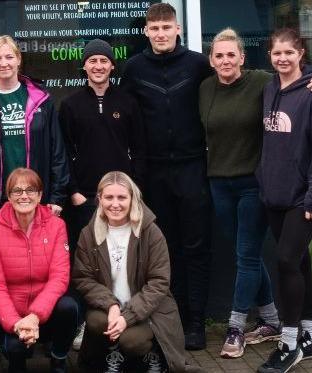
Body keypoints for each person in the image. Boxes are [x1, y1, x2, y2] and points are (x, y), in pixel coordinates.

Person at [198, 28, 312, 358]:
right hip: (244, 188)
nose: (226, 60)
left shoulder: (280, 86)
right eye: (219, 55)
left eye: (232, 54)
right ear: (211, 60)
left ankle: (261, 334)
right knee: (274, 259)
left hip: (278, 191)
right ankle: (290, 327)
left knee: (268, 257)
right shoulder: (245, 88)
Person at [121, 2, 212, 350]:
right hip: (153, 172)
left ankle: (197, 322)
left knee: (197, 247)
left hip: (193, 167)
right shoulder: (134, 69)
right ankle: (170, 321)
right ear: (146, 31)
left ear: (177, 29)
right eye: (154, 28)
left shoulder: (199, 65)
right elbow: (123, 117)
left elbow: (237, 83)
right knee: (165, 250)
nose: (160, 34)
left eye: (166, 27)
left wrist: (311, 75)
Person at [256, 28, 312, 373]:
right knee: (299, 262)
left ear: (301, 53)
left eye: (289, 52)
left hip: (305, 198)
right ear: (270, 56)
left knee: (286, 261)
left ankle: (289, 344)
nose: (283, 59)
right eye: (277, 53)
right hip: (274, 194)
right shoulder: (270, 87)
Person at [59, 38, 146, 350]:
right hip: (85, 200)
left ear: (112, 66)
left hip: (122, 201)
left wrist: (133, 193)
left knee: (121, 262)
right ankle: (86, 323)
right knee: (89, 266)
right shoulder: (70, 105)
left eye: (104, 61)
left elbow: (140, 150)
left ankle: (125, 318)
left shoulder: (127, 102)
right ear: (84, 66)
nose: (98, 66)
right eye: (92, 61)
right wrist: (74, 193)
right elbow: (64, 152)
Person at [72, 171, 204, 373]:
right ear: (99, 198)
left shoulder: (150, 231)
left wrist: (128, 316)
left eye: (122, 197)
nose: (115, 204)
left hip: (149, 310)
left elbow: (159, 282)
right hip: (110, 307)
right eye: (109, 197)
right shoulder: (89, 234)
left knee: (132, 342)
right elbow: (84, 278)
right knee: (96, 321)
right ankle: (112, 353)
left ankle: (154, 356)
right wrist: (111, 306)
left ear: (132, 198)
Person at [0, 168, 78, 373]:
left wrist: (34, 317)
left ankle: (59, 358)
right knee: (16, 350)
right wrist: (17, 324)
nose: (24, 195)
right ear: (8, 196)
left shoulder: (57, 226)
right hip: (10, 315)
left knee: (69, 307)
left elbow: (59, 278)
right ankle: (17, 362)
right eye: (17, 191)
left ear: (40, 195)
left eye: (31, 190)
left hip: (45, 312)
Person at [0, 35, 69, 223]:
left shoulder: (41, 98)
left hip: (35, 197)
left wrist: (57, 196)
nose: (3, 63)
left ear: (18, 59)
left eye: (9, 57)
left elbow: (57, 151)